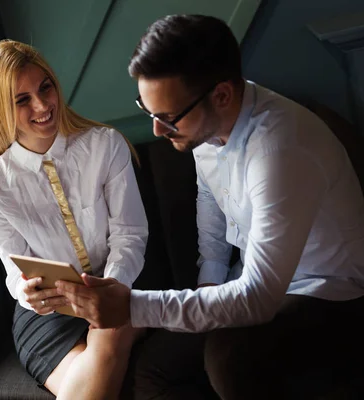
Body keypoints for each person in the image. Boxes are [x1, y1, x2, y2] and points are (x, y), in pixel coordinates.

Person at [56, 14, 364, 399]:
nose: (155, 130)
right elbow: (212, 210)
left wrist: (131, 307)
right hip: (258, 283)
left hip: (329, 295)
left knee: (228, 357)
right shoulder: (203, 130)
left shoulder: (280, 149)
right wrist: (209, 287)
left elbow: (258, 298)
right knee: (157, 366)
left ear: (220, 95)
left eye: (167, 118)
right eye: (148, 111)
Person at [0, 40, 149, 399]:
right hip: (49, 315)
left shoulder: (106, 145)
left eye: (45, 87)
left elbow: (130, 236)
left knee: (106, 340)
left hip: (121, 281)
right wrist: (25, 292)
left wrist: (109, 292)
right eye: (22, 100)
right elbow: (14, 271)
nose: (42, 106)